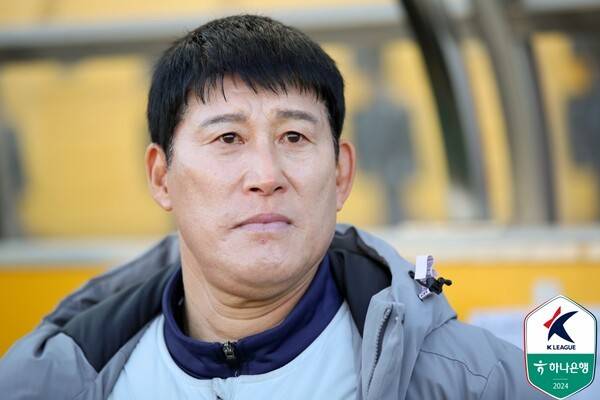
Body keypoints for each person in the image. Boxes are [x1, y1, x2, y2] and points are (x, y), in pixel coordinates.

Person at [0, 15, 548, 399]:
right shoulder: (52, 382)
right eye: (228, 138)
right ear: (161, 177)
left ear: (341, 174)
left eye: (293, 137)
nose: (266, 176)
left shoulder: (471, 380)